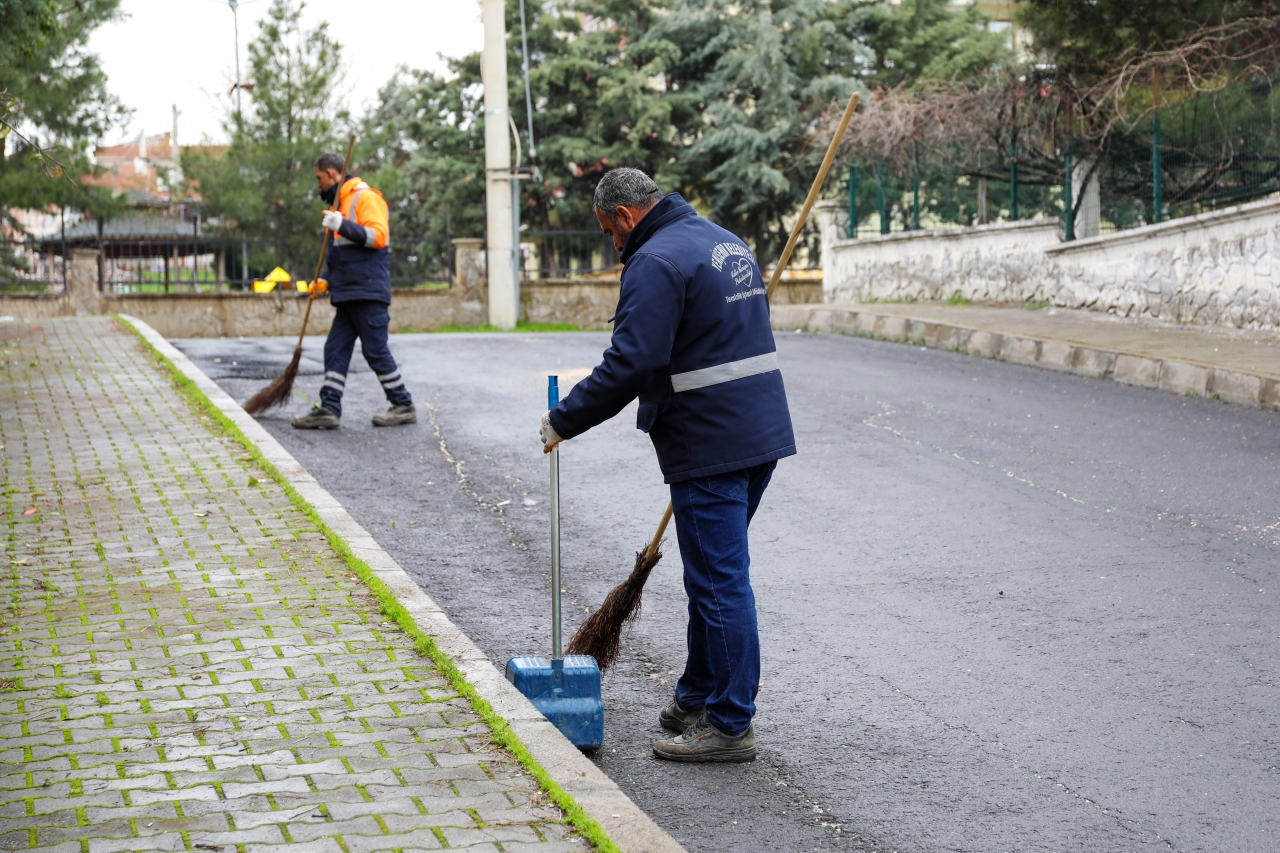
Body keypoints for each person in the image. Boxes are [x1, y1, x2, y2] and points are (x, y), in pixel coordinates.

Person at [539, 168, 795, 763]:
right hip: (759, 434)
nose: (614, 245)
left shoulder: (654, 261)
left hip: (708, 442)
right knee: (711, 575)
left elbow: (631, 362)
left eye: (610, 233)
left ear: (625, 217)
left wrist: (563, 419)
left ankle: (729, 725)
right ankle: (697, 696)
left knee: (718, 583)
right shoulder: (722, 240)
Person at [292, 152, 416, 429]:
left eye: (319, 178)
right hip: (348, 292)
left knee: (374, 350)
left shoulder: (365, 197)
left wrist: (343, 225)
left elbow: (378, 237)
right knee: (335, 348)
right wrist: (324, 280)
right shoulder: (341, 205)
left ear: (333, 174)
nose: (318, 185)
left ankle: (403, 404)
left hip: (368, 291)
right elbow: (340, 257)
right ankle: (329, 407)